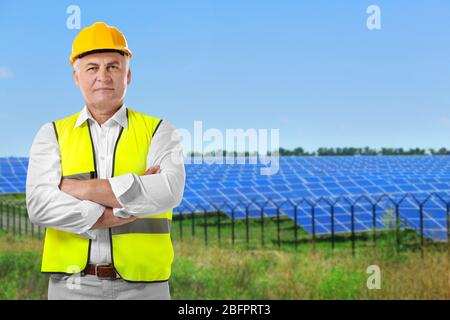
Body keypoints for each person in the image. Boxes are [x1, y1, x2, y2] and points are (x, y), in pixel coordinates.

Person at [26, 21, 185, 300]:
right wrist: (113, 214)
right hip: (70, 285)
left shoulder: (160, 131)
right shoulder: (51, 133)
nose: (103, 76)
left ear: (128, 75)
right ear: (76, 77)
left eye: (113, 66)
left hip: (145, 288)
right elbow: (39, 206)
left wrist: (78, 189)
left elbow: (168, 191)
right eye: (92, 68)